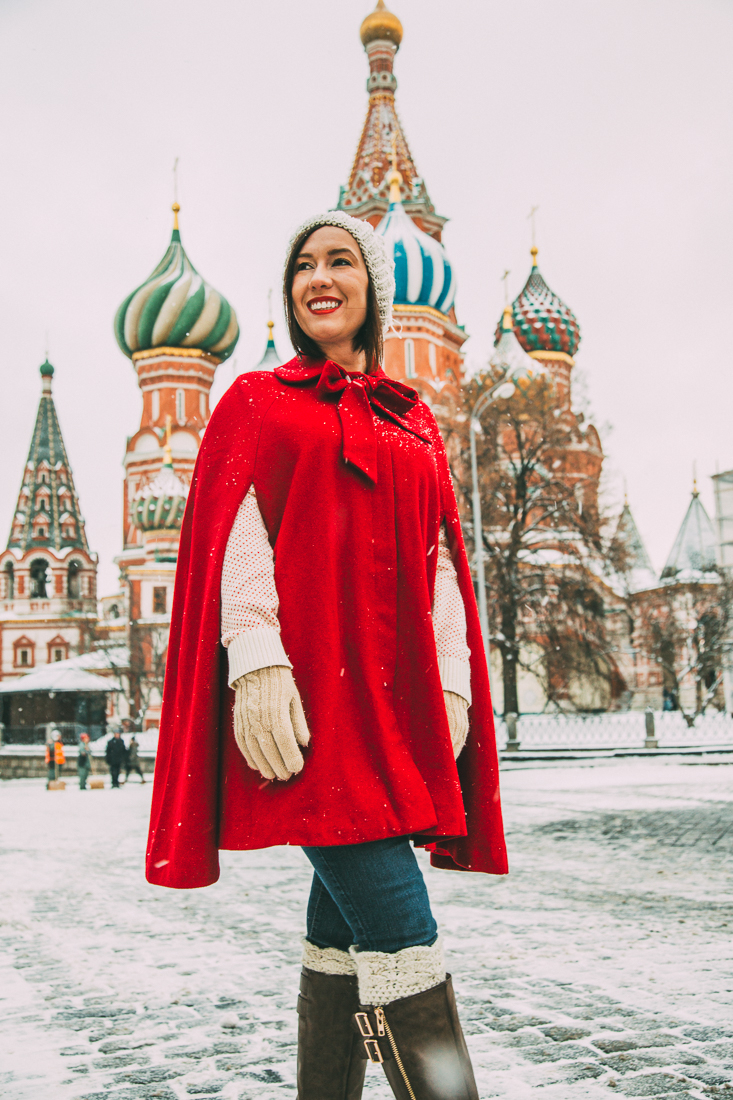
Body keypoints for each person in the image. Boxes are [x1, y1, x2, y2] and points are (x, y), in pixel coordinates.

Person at [146, 210, 508, 1100]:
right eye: (303, 264)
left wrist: (453, 680)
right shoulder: (257, 402)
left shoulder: (414, 420)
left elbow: (440, 564)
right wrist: (257, 662)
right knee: (401, 924)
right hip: (309, 713)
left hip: (391, 708)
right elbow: (238, 533)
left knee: (341, 931)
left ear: (372, 286)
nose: (319, 277)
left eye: (339, 260)